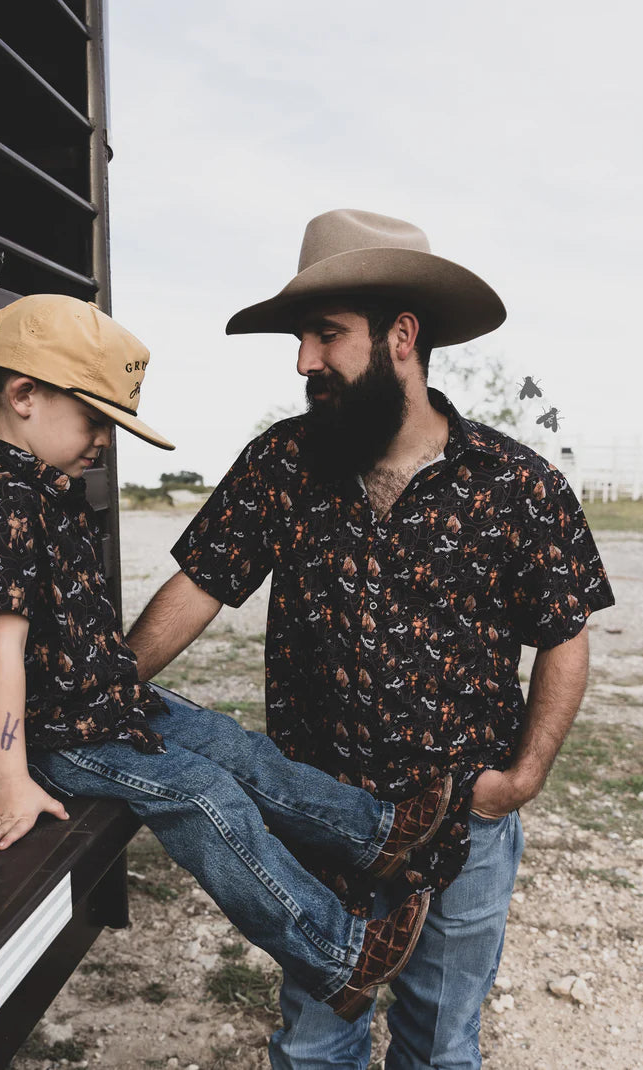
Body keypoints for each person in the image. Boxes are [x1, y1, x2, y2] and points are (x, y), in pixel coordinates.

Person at [125, 210, 615, 1068]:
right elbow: (199, 585)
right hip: (318, 823)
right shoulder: (283, 462)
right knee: (314, 1046)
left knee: (437, 1047)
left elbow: (563, 637)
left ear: (401, 335)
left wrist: (523, 777)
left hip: (464, 824)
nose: (304, 361)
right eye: (302, 339)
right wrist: (101, 689)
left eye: (325, 335)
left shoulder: (516, 483)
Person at [0, 292, 470, 1023]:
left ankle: (377, 833)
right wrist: (9, 776)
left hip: (111, 704)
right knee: (203, 796)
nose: (103, 439)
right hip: (65, 734)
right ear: (25, 395)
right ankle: (336, 955)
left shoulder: (47, 493)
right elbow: (0, 646)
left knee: (234, 746)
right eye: (95, 418)